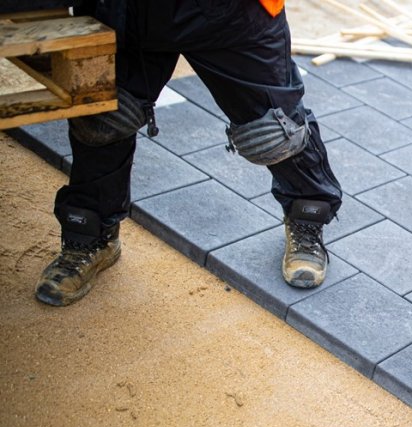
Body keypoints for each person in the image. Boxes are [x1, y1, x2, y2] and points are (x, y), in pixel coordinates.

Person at [35, 0, 342, 306]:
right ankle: (89, 236)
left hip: (234, 12)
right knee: (104, 116)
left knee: (274, 131)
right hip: (131, 8)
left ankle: (307, 217)